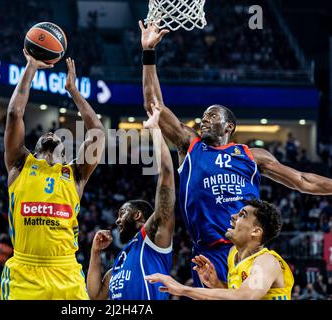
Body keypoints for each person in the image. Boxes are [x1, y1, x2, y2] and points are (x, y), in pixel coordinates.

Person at [139, 20, 332, 288]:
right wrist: (148, 53)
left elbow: (302, 180)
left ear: (229, 126)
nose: (203, 120)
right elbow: (154, 107)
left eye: (212, 116)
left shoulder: (252, 155)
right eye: (203, 117)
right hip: (209, 251)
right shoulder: (190, 145)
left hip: (248, 250)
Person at [1, 50, 105, 300]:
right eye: (45, 135)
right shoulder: (19, 164)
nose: (51, 134)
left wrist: (73, 91)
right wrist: (31, 68)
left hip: (66, 270)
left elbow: (97, 132)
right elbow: (15, 114)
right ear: (33, 147)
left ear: (65, 149)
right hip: (25, 272)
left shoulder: (76, 174)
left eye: (57, 135)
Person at [87, 101, 175, 300]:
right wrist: (94, 252)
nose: (117, 220)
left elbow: (167, 176)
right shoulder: (119, 262)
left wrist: (154, 130)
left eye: (122, 213)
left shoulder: (153, 238)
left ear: (137, 215)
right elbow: (95, 296)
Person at [146, 199, 295, 300]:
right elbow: (236, 292)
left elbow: (246, 296)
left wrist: (181, 289)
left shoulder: (266, 261)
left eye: (242, 215)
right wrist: (216, 283)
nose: (233, 216)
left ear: (256, 232)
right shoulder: (233, 255)